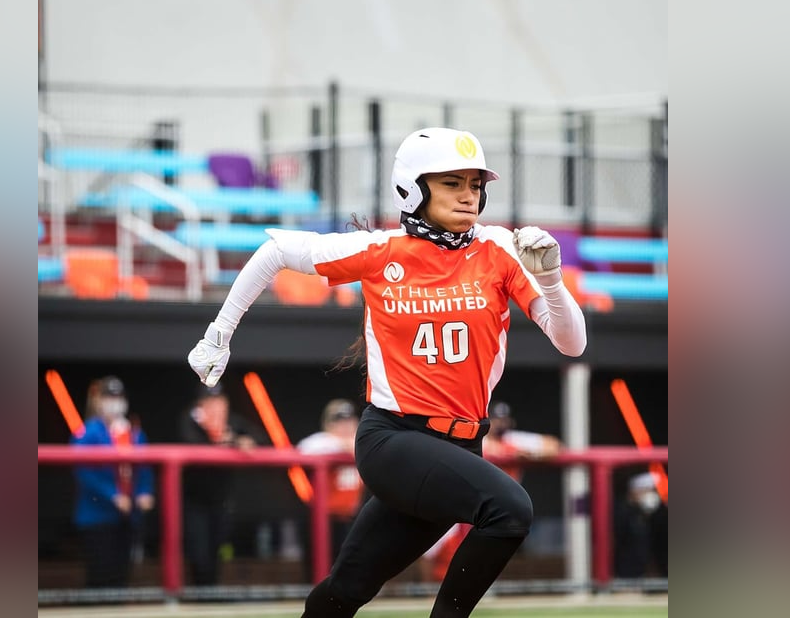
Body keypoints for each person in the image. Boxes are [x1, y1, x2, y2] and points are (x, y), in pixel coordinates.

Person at [188, 127, 586, 617]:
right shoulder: (383, 250)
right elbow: (274, 252)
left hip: (461, 445)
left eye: (475, 185)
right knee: (510, 509)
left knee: (345, 590)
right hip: (395, 439)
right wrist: (218, 334)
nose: (469, 196)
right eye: (452, 183)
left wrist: (549, 279)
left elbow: (572, 342)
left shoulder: (500, 250)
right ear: (414, 188)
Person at [422, 401, 562, 582]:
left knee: (492, 551)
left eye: (503, 420)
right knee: (432, 549)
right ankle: (428, 592)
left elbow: (554, 445)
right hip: (465, 506)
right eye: (496, 420)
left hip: (499, 508)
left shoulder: (514, 440)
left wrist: (528, 454)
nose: (500, 424)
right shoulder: (478, 437)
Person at [71, 375, 155, 588]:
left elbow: (144, 468)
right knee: (100, 573)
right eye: (109, 396)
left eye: (118, 396)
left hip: (128, 516)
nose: (114, 401)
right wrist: (112, 495)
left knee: (121, 575)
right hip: (97, 516)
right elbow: (83, 471)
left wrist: (144, 491)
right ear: (98, 400)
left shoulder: (133, 432)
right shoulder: (87, 432)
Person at [177, 383, 258, 586]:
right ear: (200, 404)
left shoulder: (230, 421)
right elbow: (190, 443)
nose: (216, 406)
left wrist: (240, 440)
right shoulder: (190, 419)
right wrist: (223, 443)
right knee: (199, 550)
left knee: (217, 547)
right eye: (210, 401)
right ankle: (200, 593)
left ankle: (212, 593)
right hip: (193, 499)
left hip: (220, 499)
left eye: (220, 400)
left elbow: (259, 437)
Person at [297, 399, 366, 570]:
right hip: (323, 520)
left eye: (349, 421)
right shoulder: (323, 442)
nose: (345, 427)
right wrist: (343, 445)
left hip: (351, 518)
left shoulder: (364, 442)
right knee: (323, 569)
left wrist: (354, 445)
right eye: (339, 421)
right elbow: (304, 447)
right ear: (328, 424)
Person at [614, 471, 667, 579]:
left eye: (653, 491)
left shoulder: (652, 513)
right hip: (626, 574)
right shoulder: (620, 511)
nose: (652, 494)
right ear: (635, 491)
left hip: (648, 572)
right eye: (647, 490)